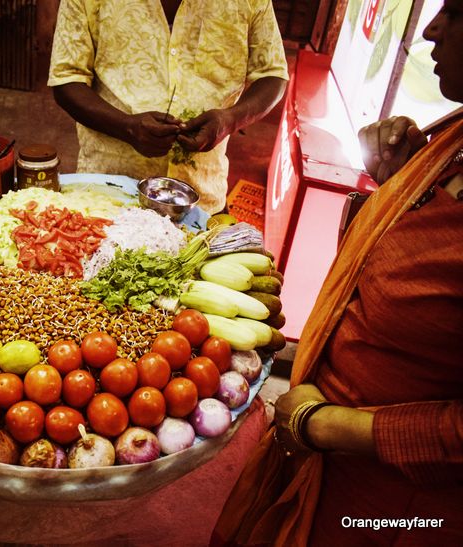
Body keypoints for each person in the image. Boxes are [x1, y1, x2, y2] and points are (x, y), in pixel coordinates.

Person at [212, 3, 463, 545]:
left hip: (396, 507)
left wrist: (324, 425)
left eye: (459, 12)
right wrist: (400, 185)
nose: (430, 28)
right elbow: (400, 272)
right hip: (321, 449)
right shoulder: (453, 141)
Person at [47, 0, 289, 214]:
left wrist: (230, 120)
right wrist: (127, 127)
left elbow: (272, 74)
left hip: (201, 200)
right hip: (108, 197)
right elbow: (66, 79)